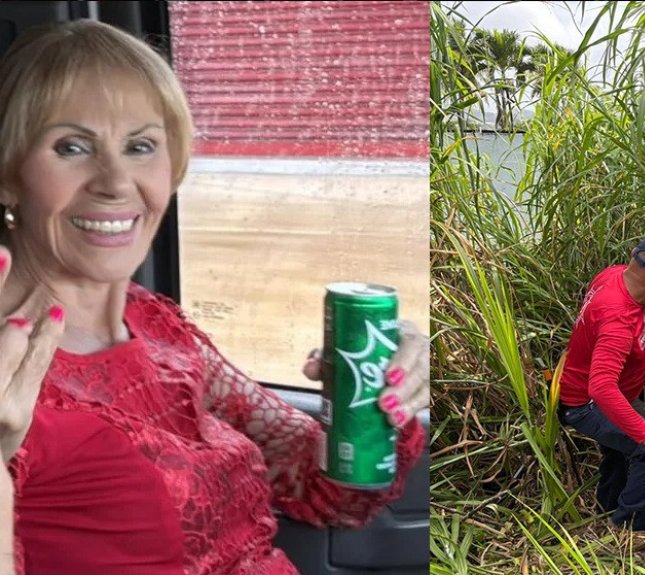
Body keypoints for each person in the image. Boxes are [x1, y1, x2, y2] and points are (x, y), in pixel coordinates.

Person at [0, 20, 428, 574]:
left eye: (141, 146)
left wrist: (368, 398)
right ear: (9, 174)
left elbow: (331, 493)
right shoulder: (11, 372)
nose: (115, 180)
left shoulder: (157, 324)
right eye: (72, 146)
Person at [557, 234, 645, 532]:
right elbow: (601, 387)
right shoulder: (618, 318)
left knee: (621, 448)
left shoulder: (614, 274)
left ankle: (608, 508)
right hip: (586, 403)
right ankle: (630, 530)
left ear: (634, 256)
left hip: (608, 394)